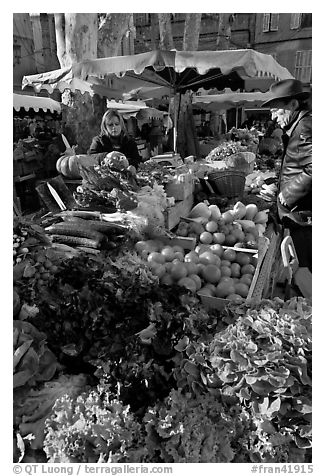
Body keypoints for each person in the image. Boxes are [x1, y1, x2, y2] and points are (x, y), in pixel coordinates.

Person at [261, 78, 312, 297]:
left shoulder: (306, 126)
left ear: (292, 105)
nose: (273, 116)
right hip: (299, 211)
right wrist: (279, 185)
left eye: (276, 110)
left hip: (303, 214)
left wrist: (287, 193)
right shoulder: (299, 125)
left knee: (307, 271)